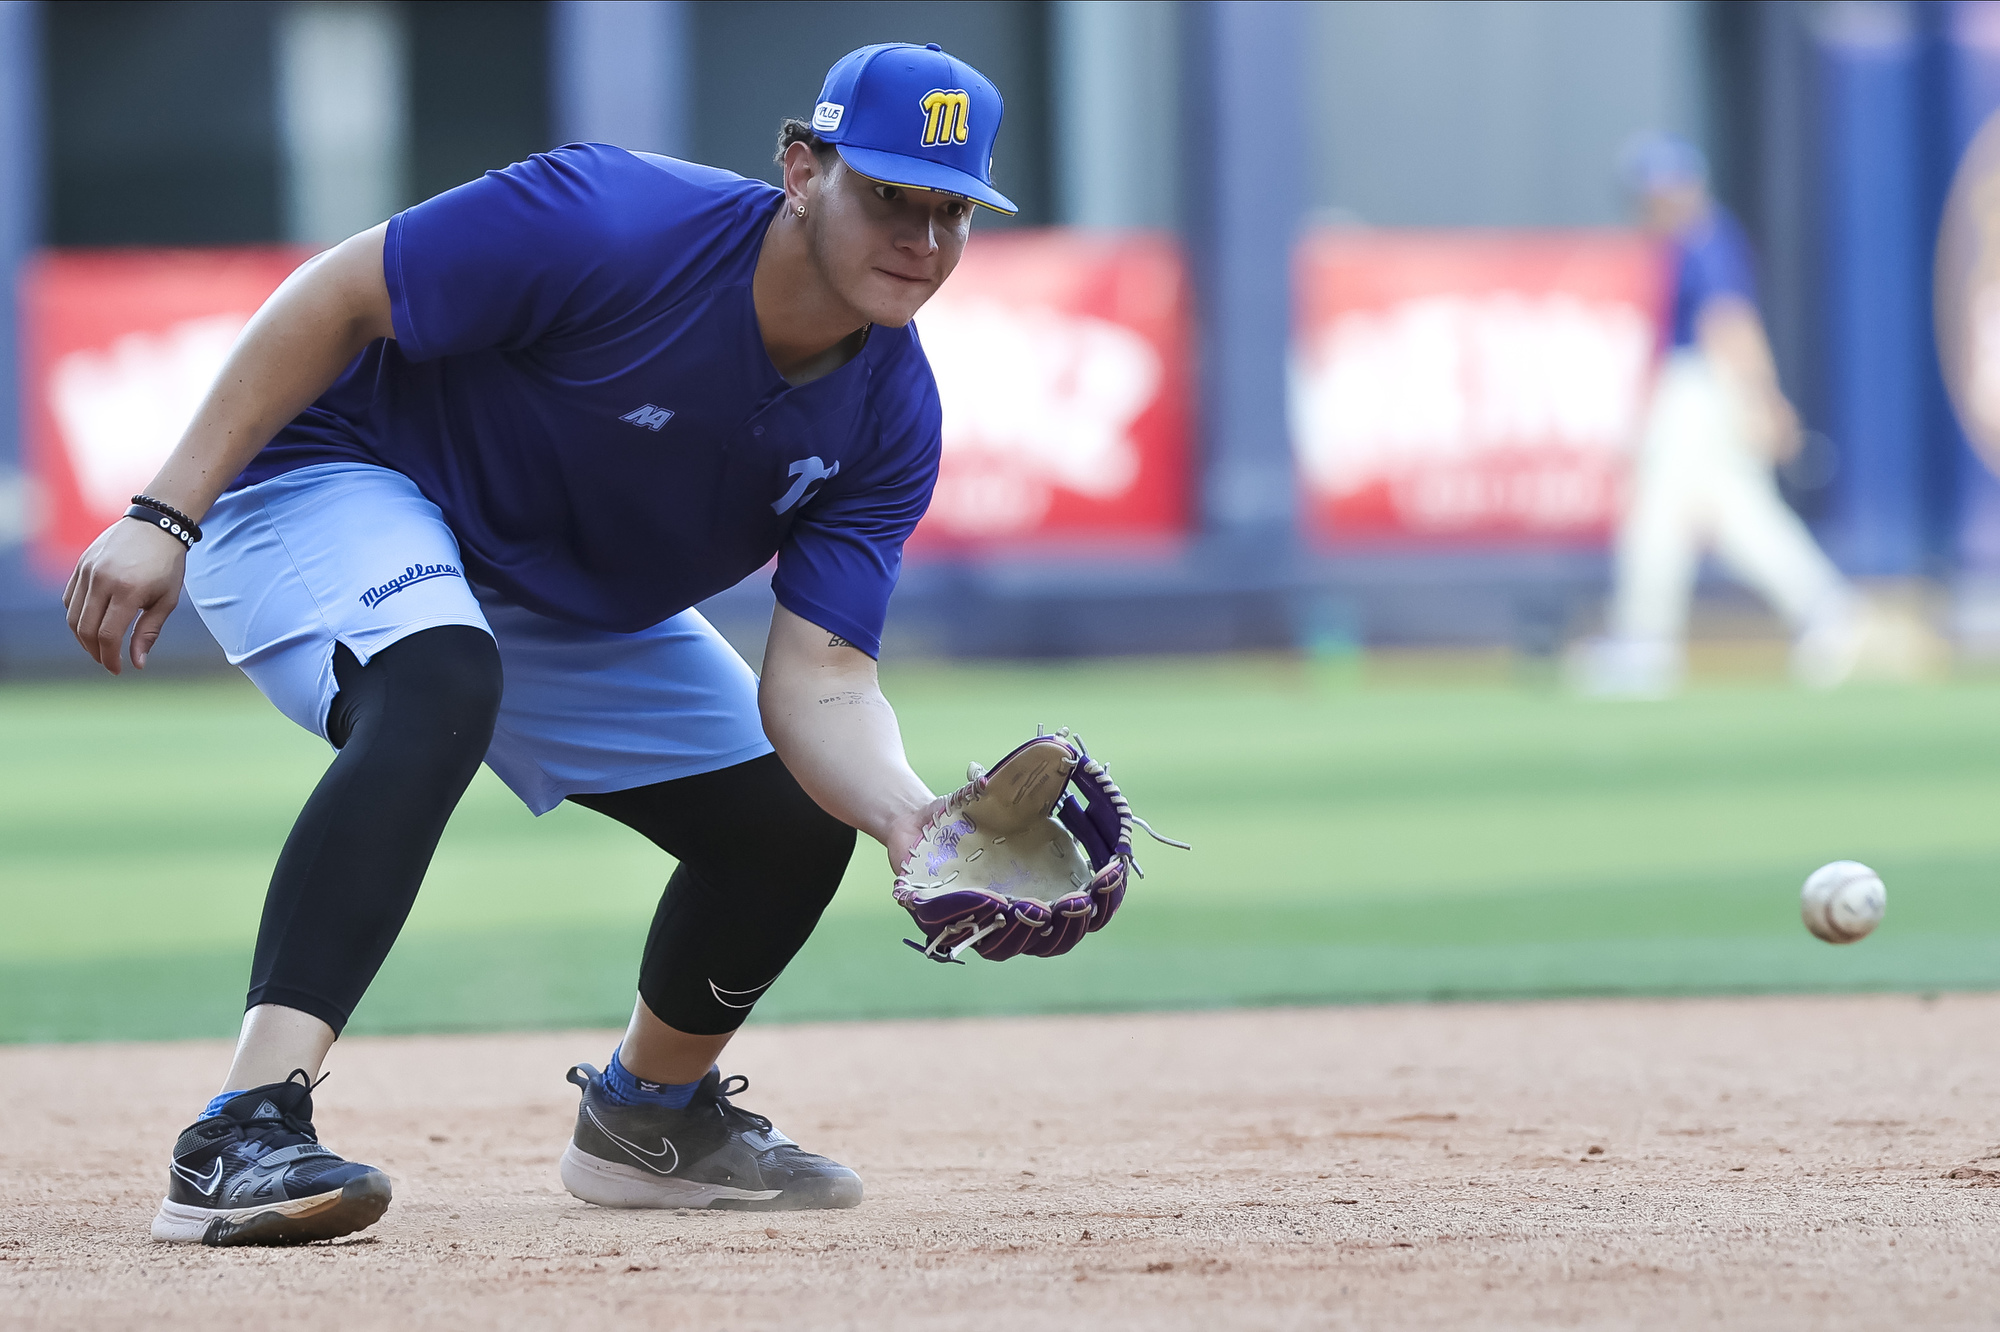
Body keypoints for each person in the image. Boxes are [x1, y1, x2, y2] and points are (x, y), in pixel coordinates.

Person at [62, 41, 1014, 1245]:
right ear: (799, 168)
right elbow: (337, 293)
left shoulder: (890, 412)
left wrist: (911, 820)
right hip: (335, 476)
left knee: (786, 818)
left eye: (952, 213)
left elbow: (824, 678)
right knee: (438, 680)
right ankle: (240, 1130)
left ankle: (647, 1121)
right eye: (890, 195)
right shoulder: (613, 218)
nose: (920, 242)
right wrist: (164, 513)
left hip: (546, 591)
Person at [1572, 133, 1859, 698]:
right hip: (1698, 388)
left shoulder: (1704, 240)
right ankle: (1827, 609)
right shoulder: (1690, 242)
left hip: (1700, 389)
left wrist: (1764, 397)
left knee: (1657, 509)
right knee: (1738, 515)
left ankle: (1644, 644)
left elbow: (1729, 324)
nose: (1647, 205)